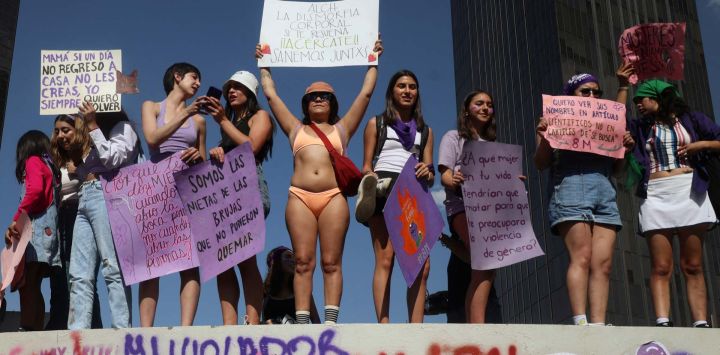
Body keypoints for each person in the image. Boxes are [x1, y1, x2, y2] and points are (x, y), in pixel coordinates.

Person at [256, 39, 382, 324]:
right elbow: (271, 95)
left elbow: (365, 93)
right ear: (305, 103)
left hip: (333, 197)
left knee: (331, 262)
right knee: (302, 262)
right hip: (300, 197)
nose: (319, 99)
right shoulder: (295, 129)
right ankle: (303, 324)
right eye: (313, 96)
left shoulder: (343, 129)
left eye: (324, 95)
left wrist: (373, 59)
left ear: (332, 101)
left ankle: (330, 323)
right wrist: (264, 63)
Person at [534, 66, 634, 326]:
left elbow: (618, 169)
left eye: (596, 92)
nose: (591, 96)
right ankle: (580, 321)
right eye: (585, 91)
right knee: (583, 256)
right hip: (570, 186)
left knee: (604, 263)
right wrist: (546, 137)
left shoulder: (607, 125)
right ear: (571, 96)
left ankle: (598, 324)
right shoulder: (554, 120)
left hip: (604, 189)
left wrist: (625, 149)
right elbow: (540, 163)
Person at [628, 79, 717, 328]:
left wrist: (702, 144)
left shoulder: (692, 120)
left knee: (693, 264)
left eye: (641, 99)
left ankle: (701, 323)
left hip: (690, 191)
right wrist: (624, 87)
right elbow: (615, 124)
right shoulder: (641, 127)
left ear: (657, 98)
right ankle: (663, 321)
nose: (638, 105)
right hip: (656, 194)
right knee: (660, 265)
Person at [355, 70, 434, 323]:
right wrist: (370, 179)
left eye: (412, 86)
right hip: (384, 187)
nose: (407, 90)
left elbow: (430, 172)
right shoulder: (376, 124)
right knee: (385, 258)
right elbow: (366, 165)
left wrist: (426, 171)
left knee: (422, 265)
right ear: (392, 92)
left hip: (413, 192)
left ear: (418, 93)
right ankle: (384, 324)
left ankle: (416, 326)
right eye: (402, 86)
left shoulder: (426, 131)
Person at [138, 62, 206, 327]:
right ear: (177, 77)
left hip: (186, 188)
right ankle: (145, 331)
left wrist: (197, 156)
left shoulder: (199, 121)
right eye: (194, 77)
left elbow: (202, 164)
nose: (198, 83)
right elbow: (153, 138)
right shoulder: (152, 107)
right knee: (151, 261)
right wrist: (185, 112)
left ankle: (185, 329)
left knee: (189, 260)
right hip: (155, 188)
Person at [203, 70, 273, 325]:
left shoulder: (260, 116)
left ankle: (252, 321)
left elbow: (251, 147)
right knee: (222, 260)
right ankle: (228, 324)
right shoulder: (227, 128)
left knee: (245, 257)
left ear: (250, 92)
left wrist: (222, 121)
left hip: (249, 188)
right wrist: (217, 151)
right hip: (224, 192)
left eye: (237, 87)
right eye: (229, 87)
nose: (231, 91)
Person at [68, 102, 142, 329]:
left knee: (112, 266)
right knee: (79, 272)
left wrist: (92, 125)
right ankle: (77, 331)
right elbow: (87, 170)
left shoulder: (123, 127)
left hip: (107, 195)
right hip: (86, 197)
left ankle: (121, 329)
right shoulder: (91, 136)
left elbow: (113, 159)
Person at [438, 90, 500, 323]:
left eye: (489, 105)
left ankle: (477, 325)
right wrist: (452, 178)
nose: (485, 108)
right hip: (461, 208)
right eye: (479, 103)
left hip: (489, 212)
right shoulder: (453, 137)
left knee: (487, 268)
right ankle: (477, 326)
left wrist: (512, 180)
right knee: (484, 262)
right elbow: (444, 175)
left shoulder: (493, 145)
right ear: (466, 110)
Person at [46, 114, 102, 329]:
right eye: (57, 131)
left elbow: (100, 183)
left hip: (83, 213)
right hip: (60, 219)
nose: (60, 135)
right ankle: (59, 322)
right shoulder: (56, 160)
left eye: (66, 130)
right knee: (58, 274)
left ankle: (92, 326)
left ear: (77, 130)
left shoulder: (91, 155)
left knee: (81, 275)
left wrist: (79, 171)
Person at [5, 130, 60, 331]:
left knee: (26, 282)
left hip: (35, 230)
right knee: (34, 282)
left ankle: (28, 327)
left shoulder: (33, 161)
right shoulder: (49, 167)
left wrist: (16, 220)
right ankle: (35, 328)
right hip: (48, 231)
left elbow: (35, 191)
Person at [261, 246, 320, 324]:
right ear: (274, 262)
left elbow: (316, 321)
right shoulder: (263, 291)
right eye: (288, 257)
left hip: (298, 335)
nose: (293, 260)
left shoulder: (302, 291)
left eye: (293, 257)